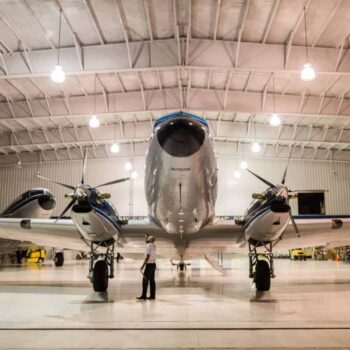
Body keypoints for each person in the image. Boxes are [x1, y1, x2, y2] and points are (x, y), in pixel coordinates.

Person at [137, 235, 156, 300]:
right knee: (152, 281)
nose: (145, 239)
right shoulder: (154, 245)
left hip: (149, 265)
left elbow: (147, 256)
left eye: (147, 238)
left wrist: (142, 266)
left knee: (145, 281)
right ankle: (152, 296)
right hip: (153, 265)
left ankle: (143, 296)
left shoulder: (148, 246)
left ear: (150, 239)